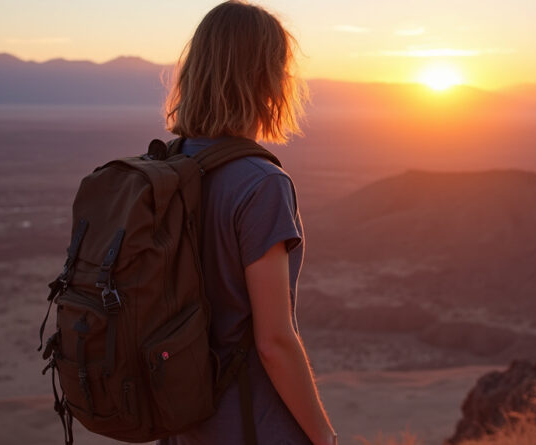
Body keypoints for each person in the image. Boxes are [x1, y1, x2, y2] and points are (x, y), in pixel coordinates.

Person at [158, 2, 337, 445]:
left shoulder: (165, 169)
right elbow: (274, 343)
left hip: (181, 424)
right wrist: (325, 438)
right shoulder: (261, 184)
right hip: (251, 425)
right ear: (265, 79)